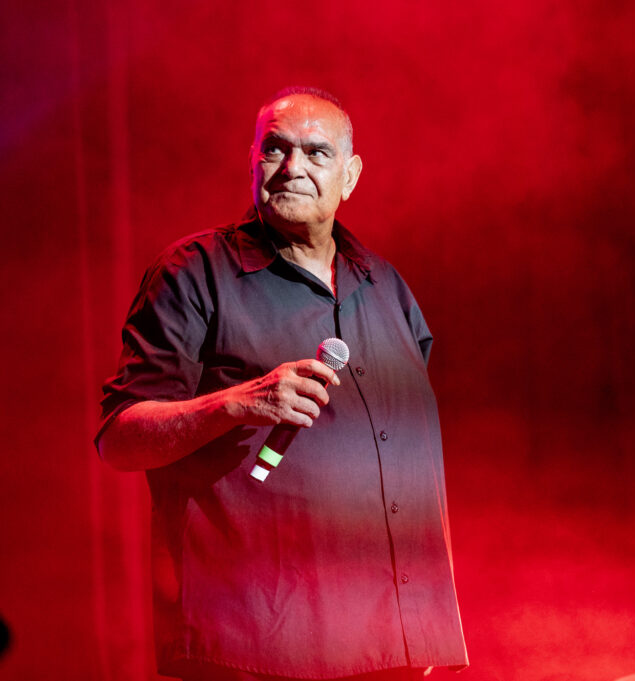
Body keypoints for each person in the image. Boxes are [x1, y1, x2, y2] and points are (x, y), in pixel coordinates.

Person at [95, 87, 468, 681]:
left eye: (317, 153)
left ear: (350, 176)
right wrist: (238, 401)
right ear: (253, 161)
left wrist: (417, 625)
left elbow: (413, 467)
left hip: (391, 649)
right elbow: (120, 439)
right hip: (254, 647)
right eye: (276, 148)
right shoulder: (193, 274)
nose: (293, 168)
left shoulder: (387, 287)